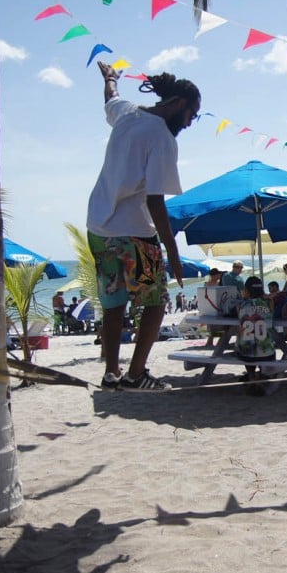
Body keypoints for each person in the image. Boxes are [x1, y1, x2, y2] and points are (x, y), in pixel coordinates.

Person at [86, 60, 198, 391]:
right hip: (136, 234)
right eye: (191, 115)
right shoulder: (162, 138)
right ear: (178, 104)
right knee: (154, 302)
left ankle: (111, 373)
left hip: (98, 228)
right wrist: (172, 251)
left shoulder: (128, 112)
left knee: (113, 302)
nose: (190, 123)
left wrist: (109, 78)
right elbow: (154, 201)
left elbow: (110, 98)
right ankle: (135, 373)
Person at [236, 276, 276, 395]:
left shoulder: (241, 305)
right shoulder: (269, 303)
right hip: (267, 353)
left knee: (246, 345)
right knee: (262, 345)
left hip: (246, 354)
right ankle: (259, 377)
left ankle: (252, 377)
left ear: (247, 291)